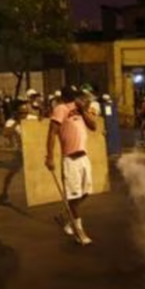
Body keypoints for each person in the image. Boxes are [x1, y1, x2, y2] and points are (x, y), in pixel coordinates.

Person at [45, 85, 98, 246]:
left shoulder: (80, 109)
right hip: (70, 159)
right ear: (67, 96)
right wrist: (50, 157)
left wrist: (82, 110)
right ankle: (79, 232)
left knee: (86, 192)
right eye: (74, 96)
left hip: (83, 158)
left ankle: (65, 215)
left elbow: (93, 126)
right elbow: (52, 132)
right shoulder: (60, 109)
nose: (76, 99)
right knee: (73, 196)